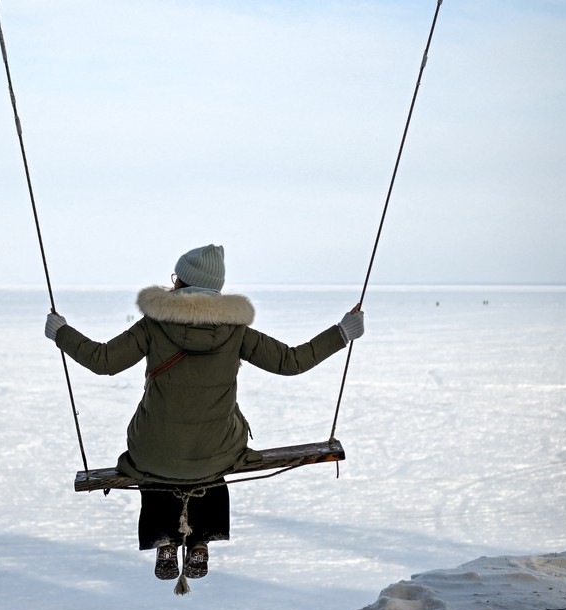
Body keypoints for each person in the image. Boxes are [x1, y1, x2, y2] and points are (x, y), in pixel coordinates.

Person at [44, 244, 364, 586]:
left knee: (155, 454)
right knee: (216, 452)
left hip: (154, 451)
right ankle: (201, 540)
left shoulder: (154, 324)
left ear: (180, 281)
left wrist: (61, 332)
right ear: (217, 289)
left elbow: (103, 361)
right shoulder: (235, 329)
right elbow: (291, 361)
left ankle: (164, 540)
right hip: (215, 452)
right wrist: (342, 332)